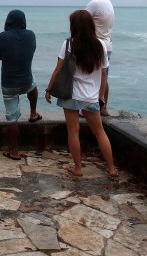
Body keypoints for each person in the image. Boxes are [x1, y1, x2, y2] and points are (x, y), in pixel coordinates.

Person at [45, 10, 117, 179]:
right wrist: (102, 97)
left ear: (74, 26)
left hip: (72, 95)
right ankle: (112, 168)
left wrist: (49, 89)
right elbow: (104, 74)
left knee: (73, 132)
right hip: (91, 97)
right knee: (100, 132)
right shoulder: (100, 45)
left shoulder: (69, 44)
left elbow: (58, 68)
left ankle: (78, 168)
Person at [0, 9, 41, 160]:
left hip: (9, 84)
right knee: (33, 85)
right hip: (26, 81)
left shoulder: (2, 37)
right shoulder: (31, 34)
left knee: (12, 119)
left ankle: (14, 151)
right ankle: (33, 113)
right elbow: (32, 50)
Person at [85, 0, 115, 116]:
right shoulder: (108, 2)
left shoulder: (95, 4)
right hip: (107, 45)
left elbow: (81, 22)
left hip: (95, 46)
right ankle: (104, 107)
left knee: (90, 79)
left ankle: (89, 109)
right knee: (104, 78)